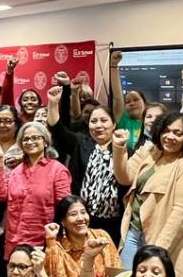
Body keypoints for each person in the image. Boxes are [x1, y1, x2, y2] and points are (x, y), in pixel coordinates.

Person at [113, 112, 183, 277]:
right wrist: (119, 147)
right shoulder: (150, 151)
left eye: (178, 133)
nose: (170, 136)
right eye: (167, 130)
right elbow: (124, 176)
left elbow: (181, 215)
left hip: (165, 240)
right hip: (133, 232)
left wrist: (156, 253)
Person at [47, 85, 125, 244]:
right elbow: (56, 127)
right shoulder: (81, 143)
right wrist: (53, 103)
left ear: (114, 124)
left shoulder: (123, 148)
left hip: (115, 222)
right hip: (83, 220)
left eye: (104, 120)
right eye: (93, 121)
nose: (98, 125)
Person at [0, 121, 71, 260]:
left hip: (43, 242)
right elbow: (1, 196)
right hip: (15, 242)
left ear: (45, 142)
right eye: (26, 139)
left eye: (35, 137)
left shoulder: (57, 170)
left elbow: (65, 207)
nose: (30, 141)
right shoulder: (16, 171)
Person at [110, 51, 144, 148]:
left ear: (144, 102)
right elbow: (117, 96)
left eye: (136, 99)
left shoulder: (152, 121)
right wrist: (113, 65)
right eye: (127, 102)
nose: (132, 103)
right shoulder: (124, 120)